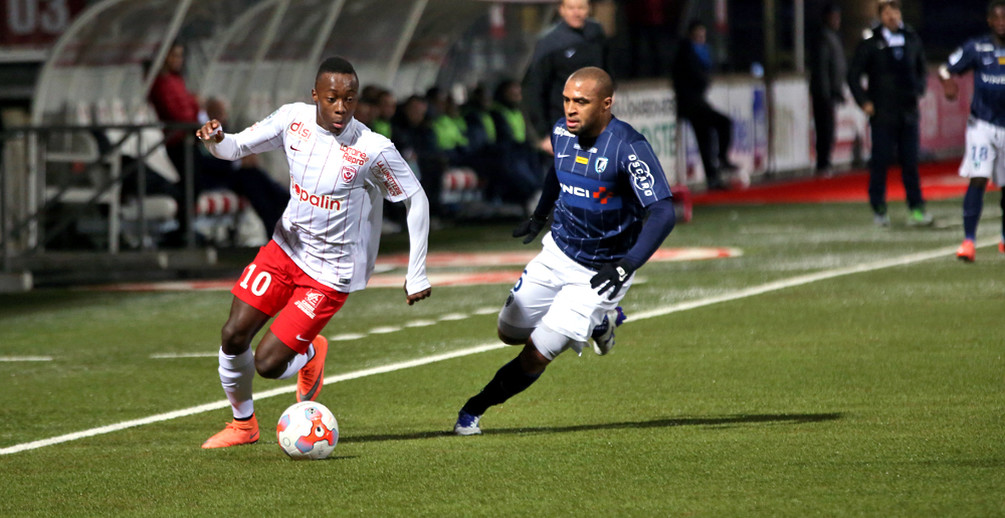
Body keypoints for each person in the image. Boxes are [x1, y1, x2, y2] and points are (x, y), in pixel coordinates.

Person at [196, 57, 432, 449]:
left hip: (330, 272)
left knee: (269, 365)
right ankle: (243, 425)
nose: (341, 108)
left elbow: (416, 199)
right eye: (332, 98)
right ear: (315, 96)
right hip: (285, 248)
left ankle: (308, 353)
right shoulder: (293, 120)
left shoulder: (372, 149)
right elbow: (234, 148)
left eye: (350, 99)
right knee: (233, 334)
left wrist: (417, 271)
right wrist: (216, 140)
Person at [453, 67, 676, 435]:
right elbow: (557, 172)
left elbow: (663, 210)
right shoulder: (561, 131)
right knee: (509, 332)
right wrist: (539, 215)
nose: (571, 109)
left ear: (606, 104)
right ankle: (600, 323)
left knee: (538, 352)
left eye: (581, 102)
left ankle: (473, 409)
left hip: (602, 274)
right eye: (567, 100)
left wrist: (626, 266)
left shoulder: (628, 147)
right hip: (558, 252)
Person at [847, 0, 933, 227]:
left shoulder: (912, 38)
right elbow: (853, 75)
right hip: (883, 113)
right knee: (880, 162)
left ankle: (916, 209)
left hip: (908, 112)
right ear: (881, 15)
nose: (891, 16)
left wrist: (919, 89)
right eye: (886, 12)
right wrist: (864, 102)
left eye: (895, 11)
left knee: (910, 163)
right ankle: (879, 209)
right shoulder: (871, 42)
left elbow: (921, 68)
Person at [940, 0, 1005, 261]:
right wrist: (947, 82)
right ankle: (968, 241)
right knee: (978, 177)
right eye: (997, 17)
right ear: (989, 20)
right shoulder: (977, 47)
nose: (1002, 22)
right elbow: (947, 67)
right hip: (982, 124)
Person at [522, 0, 608, 154]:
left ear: (589, 9)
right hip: (563, 125)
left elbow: (607, 68)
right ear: (561, 10)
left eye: (581, 7)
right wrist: (543, 134)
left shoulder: (596, 34)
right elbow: (534, 89)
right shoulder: (550, 43)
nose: (576, 12)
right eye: (571, 8)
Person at [672, 19, 737, 191]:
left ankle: (713, 177)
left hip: (696, 102)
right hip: (692, 103)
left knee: (705, 138)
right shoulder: (687, 52)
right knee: (723, 123)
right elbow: (692, 78)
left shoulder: (698, 52)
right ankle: (721, 159)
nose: (701, 38)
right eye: (698, 34)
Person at [810, 3, 847, 177]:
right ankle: (823, 164)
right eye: (834, 17)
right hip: (823, 94)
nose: (837, 20)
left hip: (830, 93)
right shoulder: (824, 38)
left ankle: (825, 163)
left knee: (828, 129)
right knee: (824, 129)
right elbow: (822, 69)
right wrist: (826, 93)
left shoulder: (832, 37)